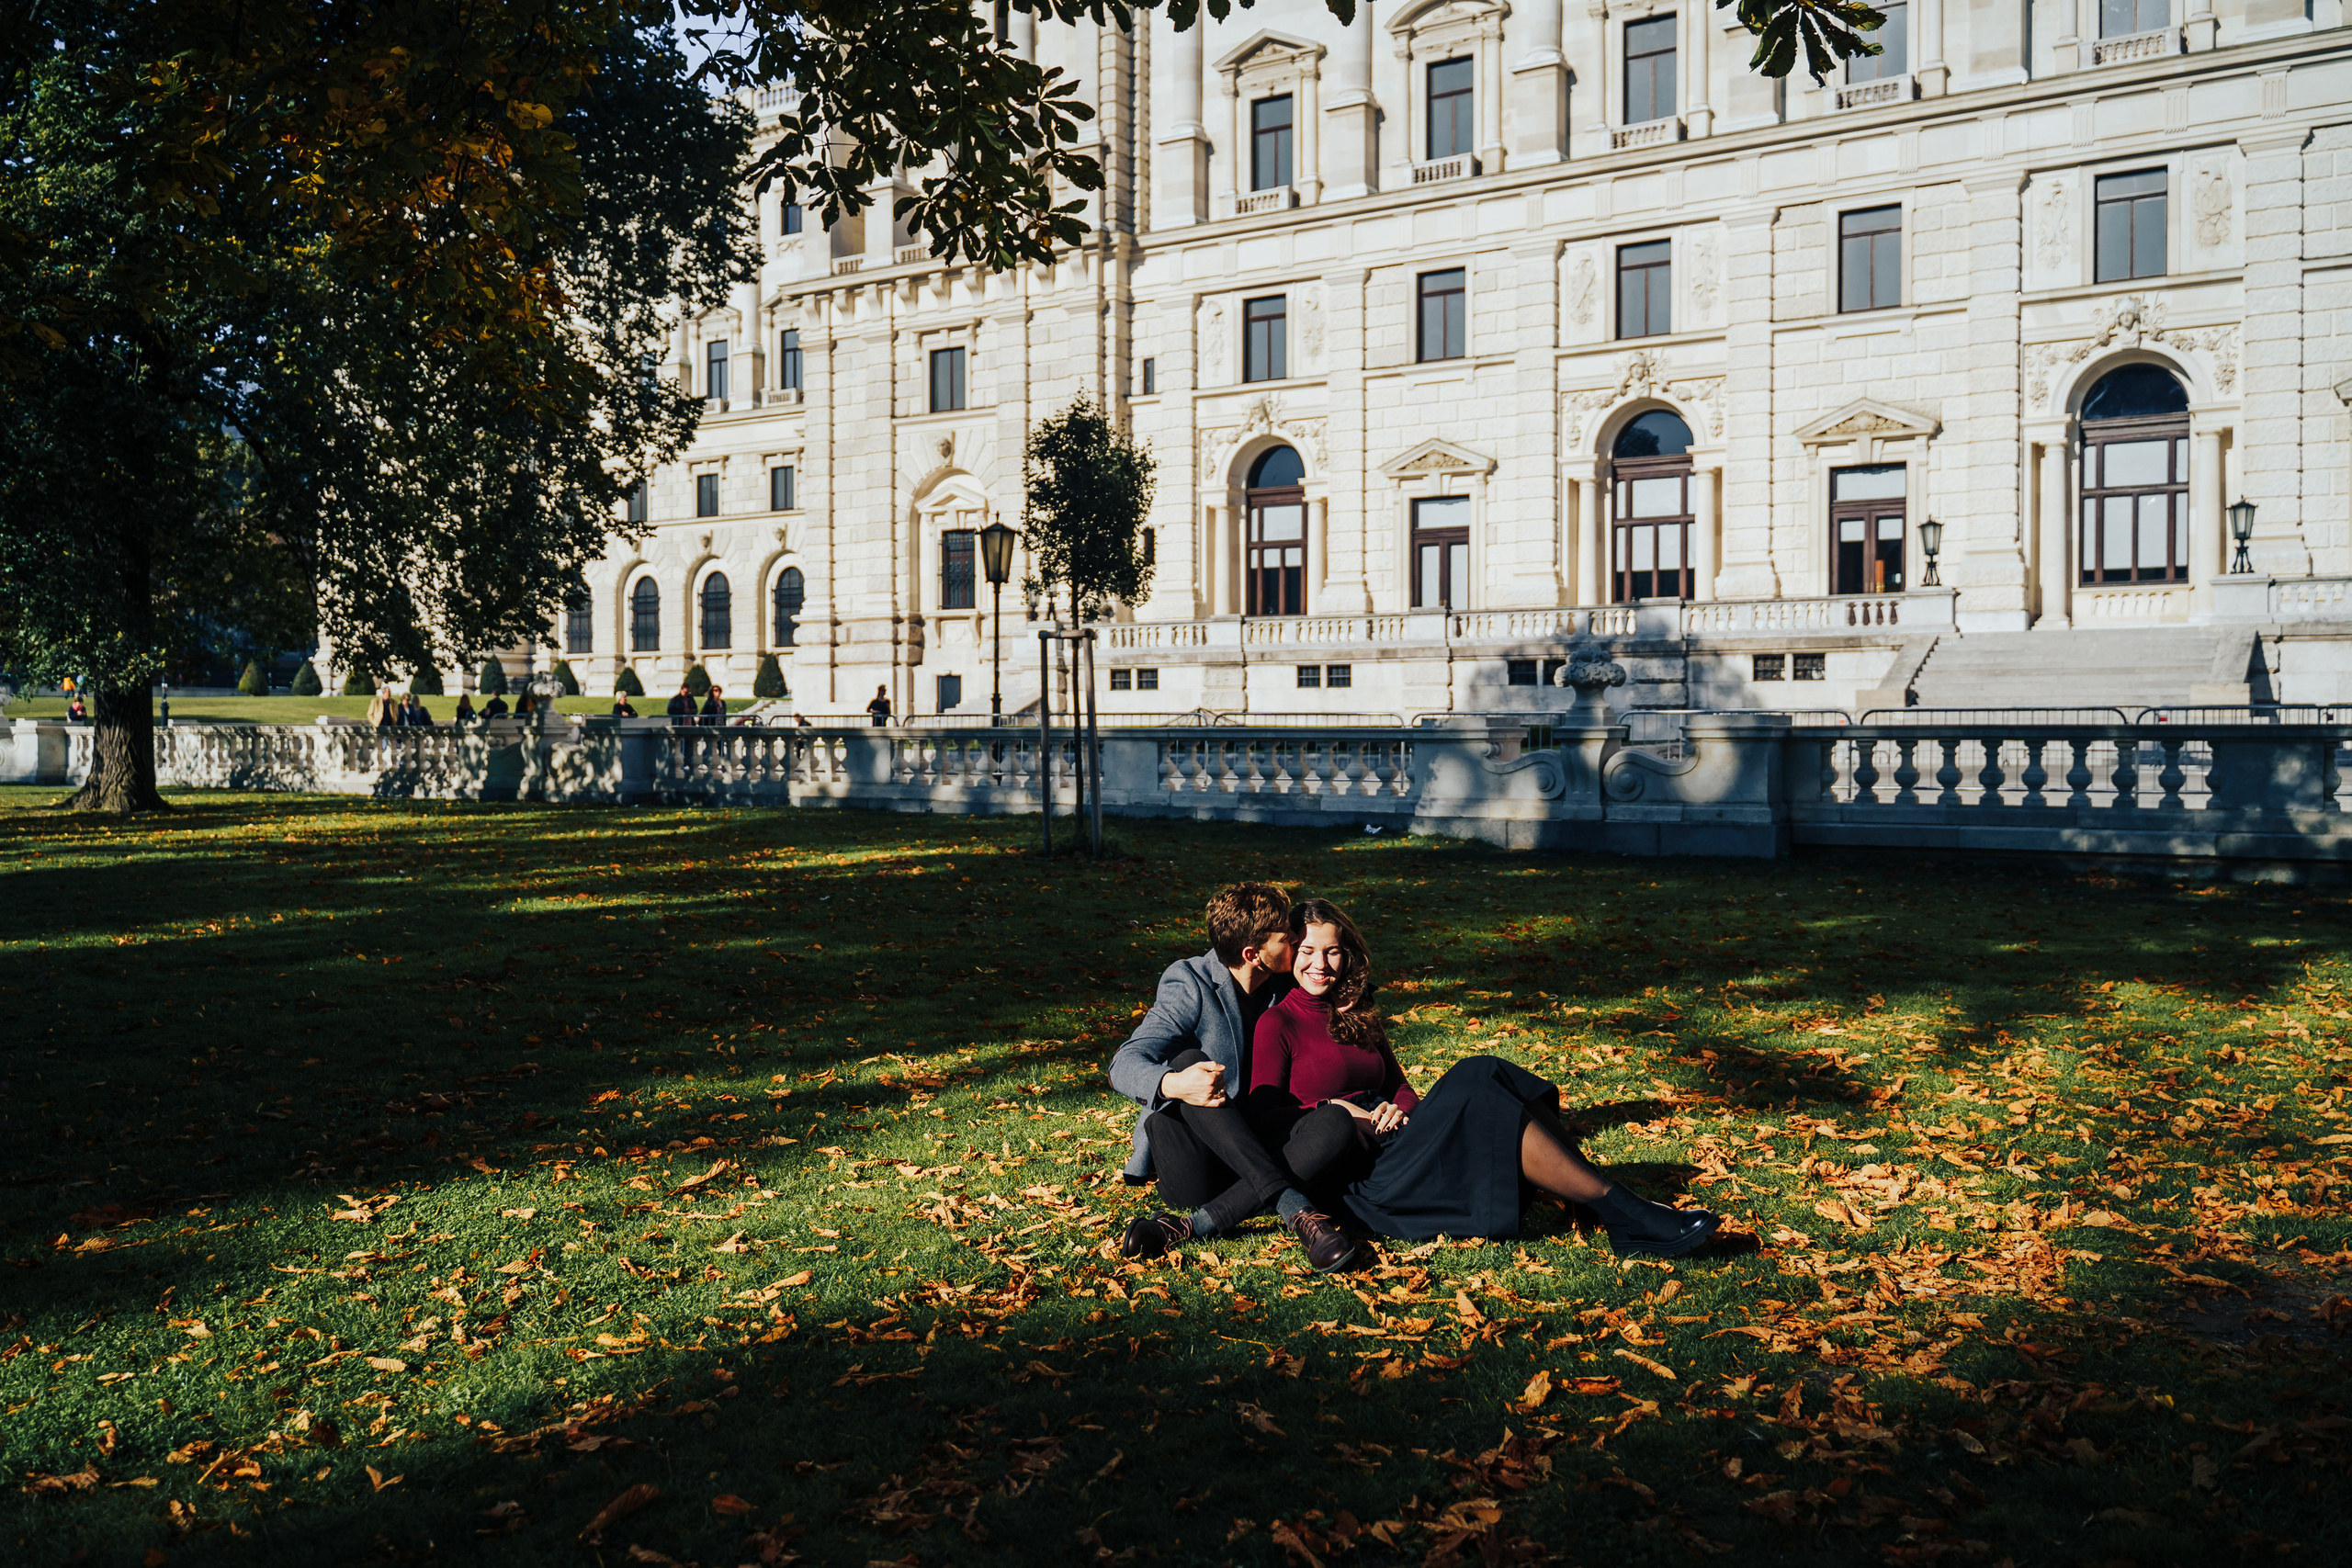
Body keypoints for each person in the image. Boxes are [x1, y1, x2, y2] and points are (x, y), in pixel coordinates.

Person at [1191, 897, 1722, 1259]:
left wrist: (1403, 1110)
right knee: (1474, 1075)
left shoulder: (1356, 1012)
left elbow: (1398, 1086)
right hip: (1354, 1175)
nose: (1320, 964)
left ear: (1346, 953)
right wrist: (1339, 1110)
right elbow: (1264, 1115)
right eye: (1307, 951)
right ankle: (1620, 1209)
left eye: (1332, 951)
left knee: (1484, 1073)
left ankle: (1608, 1205)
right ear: (1290, 957)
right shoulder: (1277, 1022)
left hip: (1398, 1142)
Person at [1107, 885, 1358, 1273]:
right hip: (1198, 1158)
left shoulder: (1282, 980)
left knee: (1336, 1120)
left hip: (1258, 1141)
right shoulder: (1190, 983)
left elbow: (1334, 970)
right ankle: (1298, 1212)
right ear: (1252, 954)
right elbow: (1123, 1063)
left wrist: (1350, 995)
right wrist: (1175, 1084)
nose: (1295, 937)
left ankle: (1189, 1227)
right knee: (1192, 1061)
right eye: (1284, 936)